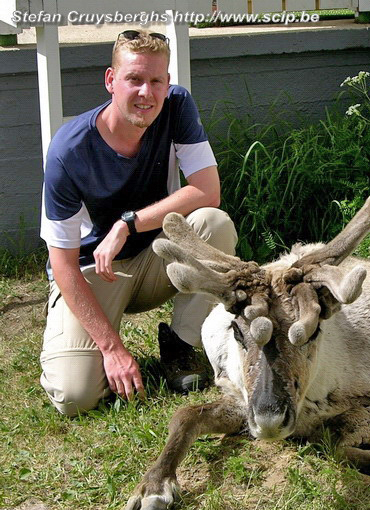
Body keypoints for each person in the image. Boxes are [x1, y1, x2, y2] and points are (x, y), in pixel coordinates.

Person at [39, 30, 237, 417]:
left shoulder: (176, 105)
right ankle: (78, 338)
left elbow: (207, 191)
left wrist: (127, 224)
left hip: (152, 257)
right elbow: (61, 264)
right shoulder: (68, 151)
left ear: (167, 83)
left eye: (156, 80)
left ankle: (181, 344)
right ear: (111, 81)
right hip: (93, 271)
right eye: (134, 79)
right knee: (74, 396)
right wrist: (112, 350)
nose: (146, 92)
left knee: (214, 223)